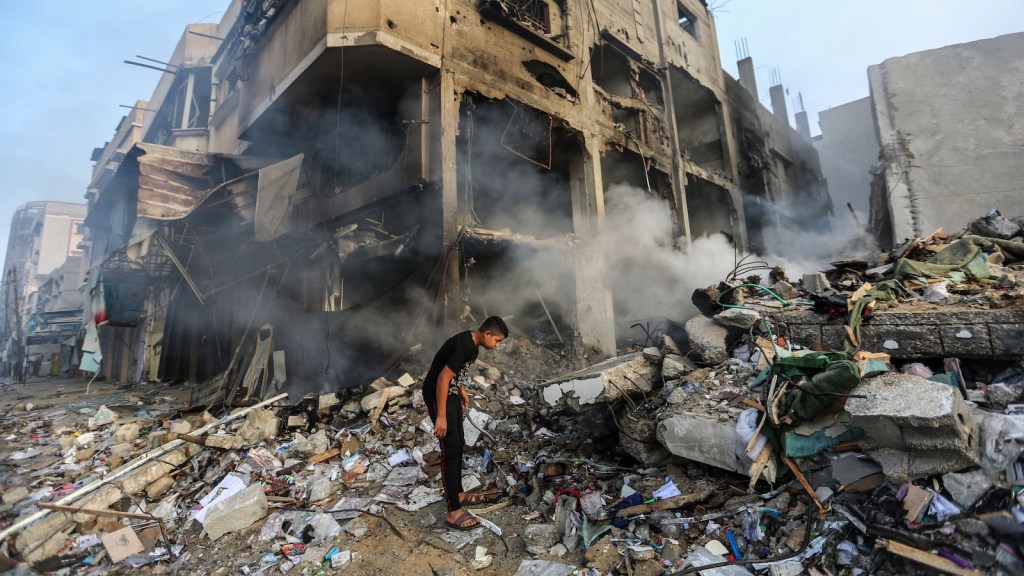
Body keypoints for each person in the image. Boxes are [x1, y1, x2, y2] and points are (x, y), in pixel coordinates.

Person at [422, 316, 508, 530]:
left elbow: (453, 372)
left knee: (458, 442)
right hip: (437, 395)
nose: (497, 346)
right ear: (487, 333)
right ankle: (453, 511)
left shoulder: (473, 346)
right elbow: (442, 379)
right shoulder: (465, 345)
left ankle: (458, 493)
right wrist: (440, 416)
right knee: (449, 447)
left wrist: (460, 389)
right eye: (497, 341)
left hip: (449, 394)